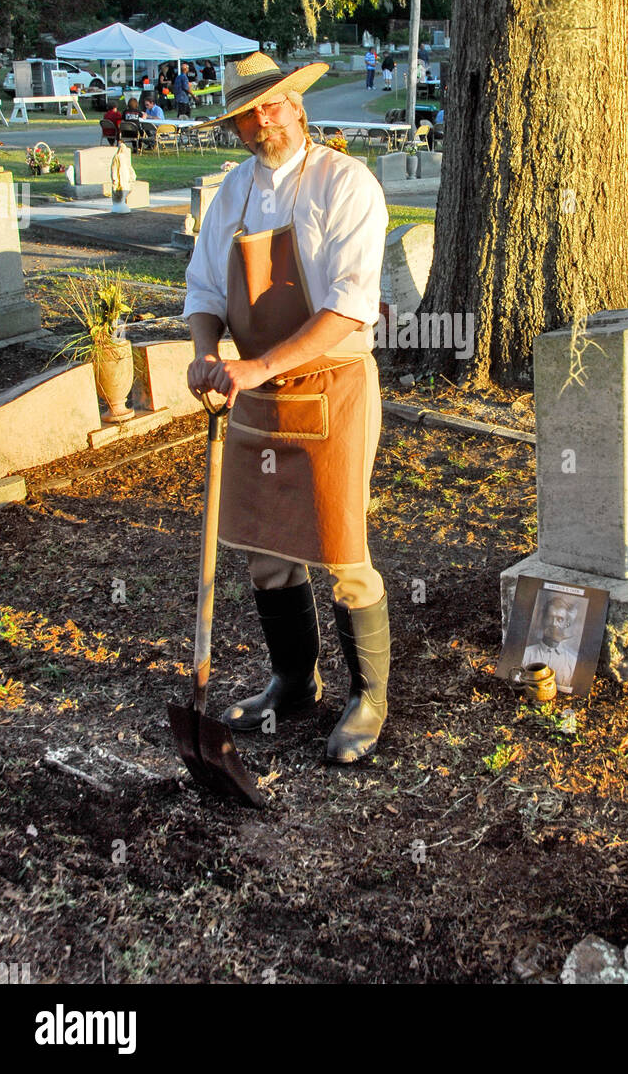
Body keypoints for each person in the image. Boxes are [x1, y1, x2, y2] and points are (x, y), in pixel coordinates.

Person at [183, 51, 390, 765]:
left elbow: (347, 307)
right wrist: (207, 353)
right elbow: (205, 291)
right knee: (265, 551)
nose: (260, 118)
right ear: (237, 123)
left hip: (332, 390)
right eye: (247, 111)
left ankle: (369, 699)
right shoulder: (231, 194)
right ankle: (294, 682)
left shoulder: (345, 183)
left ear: (297, 106)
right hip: (252, 397)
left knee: (344, 548)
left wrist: (261, 362)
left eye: (271, 104)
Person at [523, 595, 585, 690]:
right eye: (549, 617)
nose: (554, 623)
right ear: (543, 620)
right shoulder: (526, 655)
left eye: (560, 619)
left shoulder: (572, 663)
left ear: (566, 624)